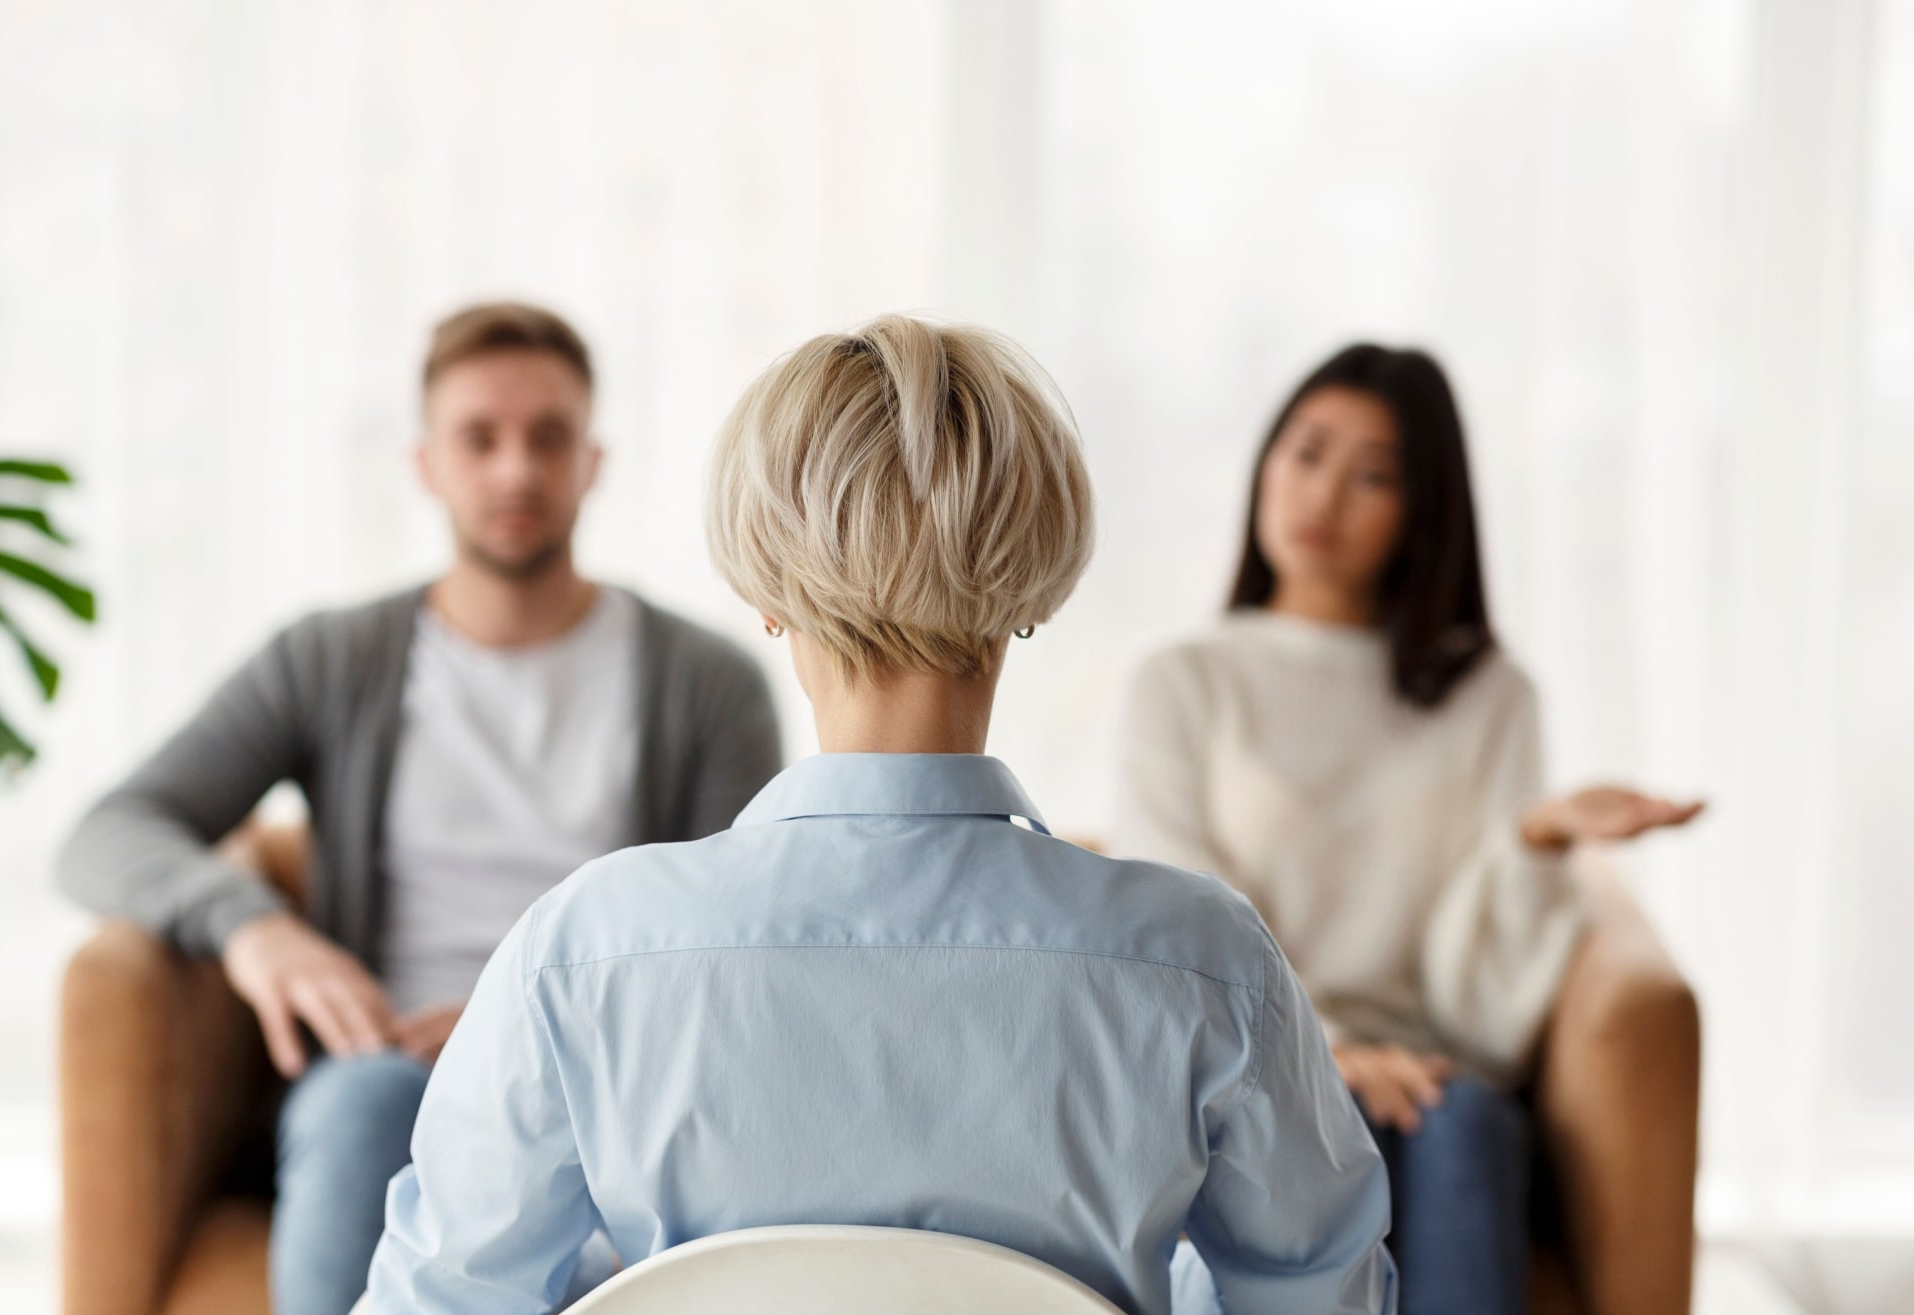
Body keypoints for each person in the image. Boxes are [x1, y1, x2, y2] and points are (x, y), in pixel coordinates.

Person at [365, 315, 1396, 1315]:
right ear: (1031, 590)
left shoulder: (583, 950)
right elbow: (1325, 1298)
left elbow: (441, 1300)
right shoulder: (1201, 960)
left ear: (764, 592)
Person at [57, 302, 783, 1315]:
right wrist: (254, 926)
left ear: (593, 460)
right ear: (425, 463)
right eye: (478, 438)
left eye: (548, 437)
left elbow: (745, 942)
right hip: (387, 1076)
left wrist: (527, 1026)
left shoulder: (704, 682)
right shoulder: (329, 659)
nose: (514, 470)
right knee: (361, 1105)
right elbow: (109, 831)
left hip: (603, 1089)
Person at [1117, 343, 1702, 1315]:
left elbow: (1475, 1008)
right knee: (1326, 1120)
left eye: (1373, 474)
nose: (1322, 496)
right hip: (1254, 1063)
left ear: (1422, 509)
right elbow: (1178, 905)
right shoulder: (1183, 680)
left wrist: (1534, 840)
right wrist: (1321, 1048)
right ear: (1264, 460)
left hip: (1433, 1078)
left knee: (1466, 1120)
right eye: (1304, 453)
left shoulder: (1488, 696)